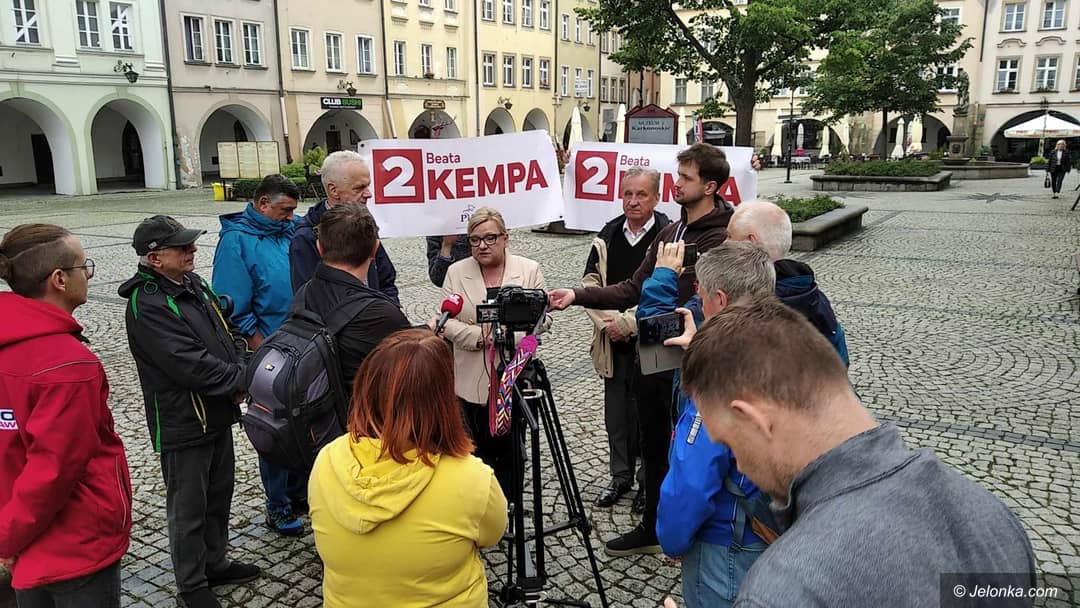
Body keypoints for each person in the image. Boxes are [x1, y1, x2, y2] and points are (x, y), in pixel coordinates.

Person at [678, 299, 1036, 607]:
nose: (740, 465)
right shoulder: (991, 516)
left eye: (729, 444)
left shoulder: (782, 587)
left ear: (755, 420)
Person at [549, 143, 736, 556]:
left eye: (685, 178)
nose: (676, 184)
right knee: (652, 446)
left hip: (692, 361)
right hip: (652, 359)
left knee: (687, 448)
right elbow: (633, 288)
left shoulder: (722, 237)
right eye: (677, 175)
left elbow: (696, 305)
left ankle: (683, 529)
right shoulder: (671, 233)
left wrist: (641, 318)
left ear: (709, 186)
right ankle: (653, 525)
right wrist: (577, 295)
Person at [118, 216, 259, 608]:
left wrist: (241, 367)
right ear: (154, 258)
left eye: (190, 244)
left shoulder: (192, 283)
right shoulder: (147, 303)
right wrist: (241, 380)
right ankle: (192, 585)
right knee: (188, 508)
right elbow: (189, 364)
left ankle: (216, 562)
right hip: (184, 421)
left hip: (217, 412)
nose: (192, 250)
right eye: (182, 247)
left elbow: (227, 332)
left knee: (219, 494)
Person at [309, 328, 508, 608]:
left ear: (367, 385)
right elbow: (492, 533)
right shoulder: (473, 479)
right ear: (444, 400)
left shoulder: (327, 460)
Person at [0, 225, 131, 608]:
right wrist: (7, 539)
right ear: (59, 279)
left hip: (24, 537)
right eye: (83, 266)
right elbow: (54, 471)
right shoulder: (69, 365)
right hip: (73, 545)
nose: (88, 275)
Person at [646, 242, 775, 607]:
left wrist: (673, 540)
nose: (699, 306)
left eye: (701, 295)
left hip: (727, 548)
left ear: (719, 299)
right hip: (775, 534)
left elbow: (690, 481)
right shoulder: (787, 349)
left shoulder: (718, 382)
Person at [212, 174, 306, 537]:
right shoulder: (236, 241)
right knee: (274, 428)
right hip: (269, 350)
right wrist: (260, 346)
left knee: (304, 422)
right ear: (263, 203)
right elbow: (231, 304)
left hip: (303, 344)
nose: (291, 217)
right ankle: (277, 505)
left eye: (294, 211)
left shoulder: (290, 230)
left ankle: (298, 493)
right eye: (285, 210)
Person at [431, 207, 549, 494]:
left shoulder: (529, 270)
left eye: (490, 238)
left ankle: (510, 502)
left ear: (505, 238)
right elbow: (445, 322)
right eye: (474, 240)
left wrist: (509, 335)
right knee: (474, 451)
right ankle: (479, 502)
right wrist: (482, 337)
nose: (482, 245)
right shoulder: (456, 272)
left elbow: (542, 321)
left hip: (515, 380)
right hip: (470, 381)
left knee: (512, 451)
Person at [583, 167, 671, 512]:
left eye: (641, 194)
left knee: (650, 417)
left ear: (656, 198)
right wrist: (610, 323)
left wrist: (629, 323)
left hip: (652, 342)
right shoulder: (607, 235)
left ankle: (648, 483)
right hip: (613, 342)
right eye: (628, 194)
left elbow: (671, 293)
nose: (633, 201)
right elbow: (590, 284)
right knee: (616, 417)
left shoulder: (669, 237)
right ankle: (620, 477)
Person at [295, 201, 412, 392]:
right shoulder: (380, 313)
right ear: (375, 249)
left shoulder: (304, 292)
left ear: (319, 247)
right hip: (359, 407)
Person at [725, 200, 849, 365]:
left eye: (730, 236)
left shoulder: (745, 307)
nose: (724, 243)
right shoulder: (814, 296)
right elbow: (840, 360)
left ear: (751, 243)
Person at [290, 150, 399, 303]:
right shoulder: (306, 236)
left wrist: (388, 310)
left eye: (368, 186)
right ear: (333, 190)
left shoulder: (365, 222)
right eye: (359, 188)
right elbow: (310, 300)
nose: (368, 194)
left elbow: (386, 279)